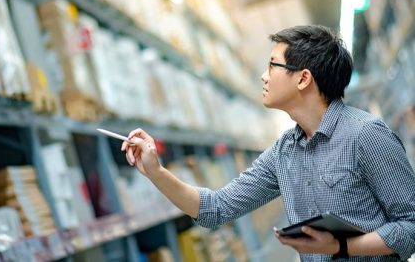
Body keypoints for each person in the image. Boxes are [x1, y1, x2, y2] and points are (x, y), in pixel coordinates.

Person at [121, 25, 415, 261]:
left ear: (303, 79)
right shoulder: (284, 152)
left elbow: (411, 226)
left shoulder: (366, 135)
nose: (264, 76)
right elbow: (216, 208)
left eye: (272, 66)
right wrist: (156, 172)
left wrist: (340, 247)